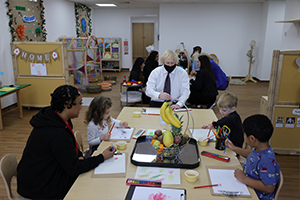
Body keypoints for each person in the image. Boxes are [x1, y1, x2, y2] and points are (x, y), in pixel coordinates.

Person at [17, 85, 115, 199]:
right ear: (67, 104)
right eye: (79, 103)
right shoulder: (57, 134)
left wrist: (78, 156)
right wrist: (101, 157)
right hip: (38, 185)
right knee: (87, 186)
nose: (81, 107)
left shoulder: (56, 118)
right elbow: (74, 169)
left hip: (41, 173)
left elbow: (67, 152)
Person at [225, 114, 280, 200]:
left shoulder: (266, 160)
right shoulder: (261, 149)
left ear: (252, 138)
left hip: (256, 196)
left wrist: (244, 179)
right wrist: (235, 149)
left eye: (245, 135)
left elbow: (269, 188)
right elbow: (253, 156)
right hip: (248, 188)